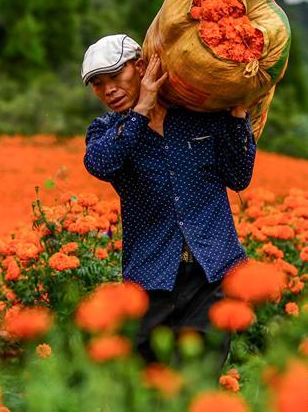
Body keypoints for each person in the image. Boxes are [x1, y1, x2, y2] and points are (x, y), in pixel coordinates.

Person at [80, 33, 256, 375]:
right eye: (98, 85)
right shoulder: (106, 130)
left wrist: (237, 117)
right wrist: (141, 110)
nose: (108, 90)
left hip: (213, 273)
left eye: (116, 76)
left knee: (198, 380)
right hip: (151, 277)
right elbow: (100, 163)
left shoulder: (199, 118)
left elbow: (238, 177)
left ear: (142, 66)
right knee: (148, 385)